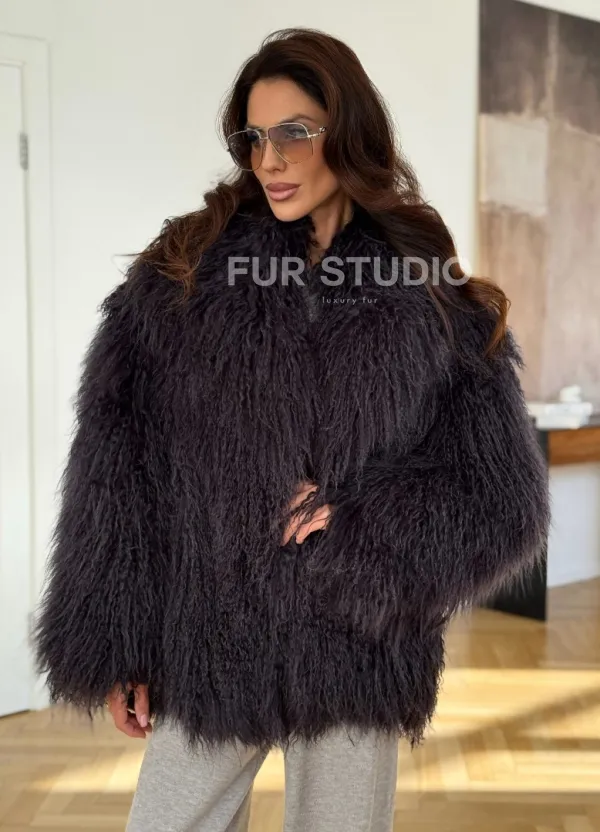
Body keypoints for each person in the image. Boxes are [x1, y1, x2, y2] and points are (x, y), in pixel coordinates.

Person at [31, 26, 550, 832]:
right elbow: (117, 465)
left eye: (295, 133)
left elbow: (500, 494)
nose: (269, 160)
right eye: (254, 137)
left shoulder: (431, 297)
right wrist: (118, 638)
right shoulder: (181, 277)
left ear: (349, 132)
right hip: (211, 636)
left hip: (357, 640)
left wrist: (362, 523)